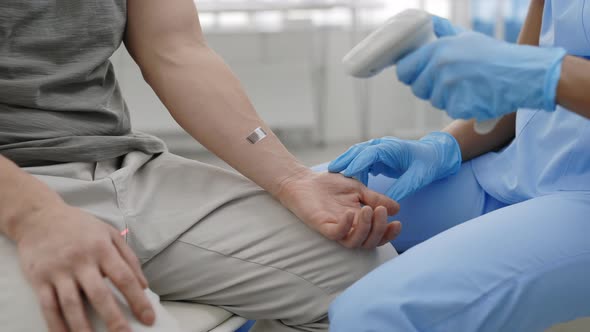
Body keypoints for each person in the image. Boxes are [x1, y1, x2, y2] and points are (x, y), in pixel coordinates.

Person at [0, 1, 403, 331]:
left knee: (374, 285)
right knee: (118, 316)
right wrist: (37, 216)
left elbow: (175, 49)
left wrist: (292, 178)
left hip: (121, 167)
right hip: (14, 191)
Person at [327, 0, 590, 331]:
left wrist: (543, 71)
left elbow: (537, 74)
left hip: (582, 200)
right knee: (325, 199)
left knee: (373, 316)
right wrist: (441, 147)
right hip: (513, 169)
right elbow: (520, 96)